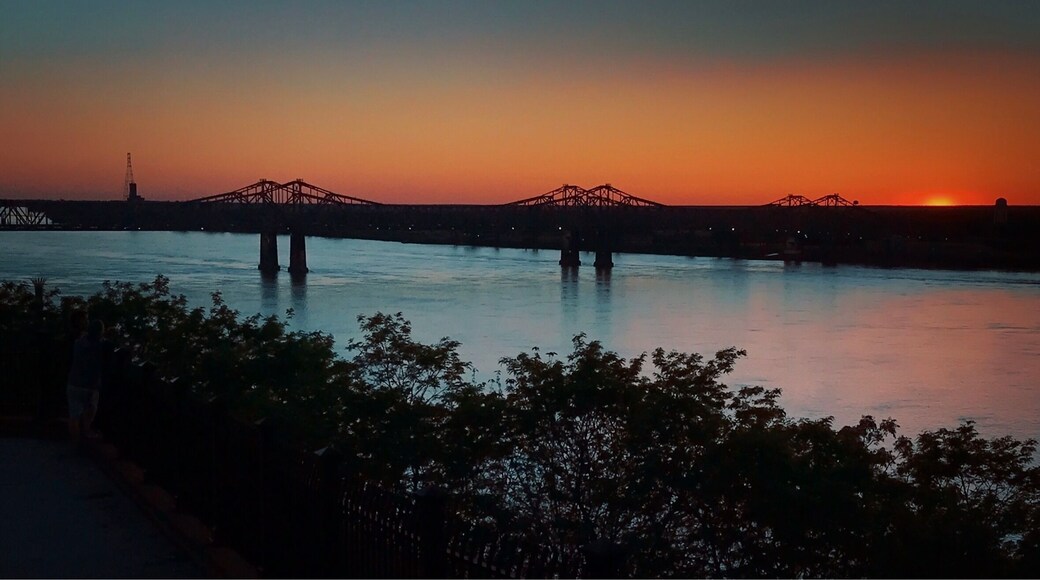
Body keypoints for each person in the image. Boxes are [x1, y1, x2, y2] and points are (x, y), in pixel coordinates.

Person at [67, 318, 104, 442]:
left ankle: (75, 442)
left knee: (74, 415)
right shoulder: (98, 347)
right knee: (90, 410)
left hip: (73, 383)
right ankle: (86, 433)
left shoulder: (78, 343)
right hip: (89, 386)